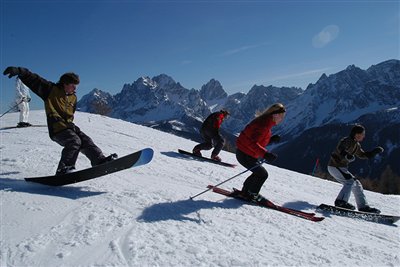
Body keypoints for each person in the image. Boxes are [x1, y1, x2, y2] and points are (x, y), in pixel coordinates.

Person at [3, 66, 117, 175]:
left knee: (86, 140)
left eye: (76, 85)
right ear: (64, 84)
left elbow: (69, 115)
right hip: (56, 128)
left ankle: (99, 160)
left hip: (68, 126)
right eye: (72, 85)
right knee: (74, 141)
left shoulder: (73, 97)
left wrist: (70, 125)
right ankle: (64, 168)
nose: (75, 88)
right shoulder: (51, 90)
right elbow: (35, 80)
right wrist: (19, 71)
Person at [327, 124, 384, 213]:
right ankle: (340, 202)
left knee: (357, 184)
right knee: (349, 181)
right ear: (356, 134)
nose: (364, 136)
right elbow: (341, 148)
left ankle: (363, 207)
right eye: (362, 134)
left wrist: (373, 153)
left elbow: (362, 155)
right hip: (335, 166)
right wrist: (346, 154)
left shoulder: (356, 145)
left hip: (341, 168)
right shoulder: (347, 141)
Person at [235, 103, 285, 201]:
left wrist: (271, 139)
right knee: (262, 174)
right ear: (275, 115)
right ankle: (252, 194)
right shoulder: (264, 125)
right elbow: (252, 142)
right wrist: (265, 154)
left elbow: (259, 140)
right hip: (245, 154)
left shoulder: (266, 122)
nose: (282, 119)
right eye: (281, 116)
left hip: (245, 152)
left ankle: (246, 191)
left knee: (258, 173)